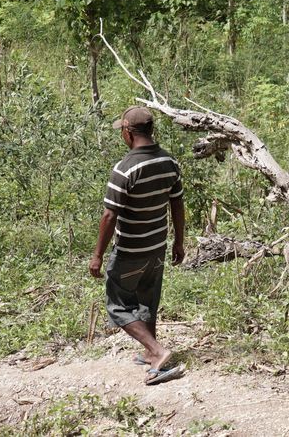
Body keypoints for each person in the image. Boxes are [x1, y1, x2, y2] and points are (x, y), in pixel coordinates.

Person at [88, 105, 186, 385]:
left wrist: (97, 256)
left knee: (117, 304)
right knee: (147, 298)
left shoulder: (125, 168)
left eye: (122, 130)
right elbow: (177, 203)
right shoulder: (169, 162)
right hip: (157, 246)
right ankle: (150, 353)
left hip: (130, 250)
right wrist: (179, 241)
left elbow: (109, 215)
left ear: (128, 133)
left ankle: (158, 350)